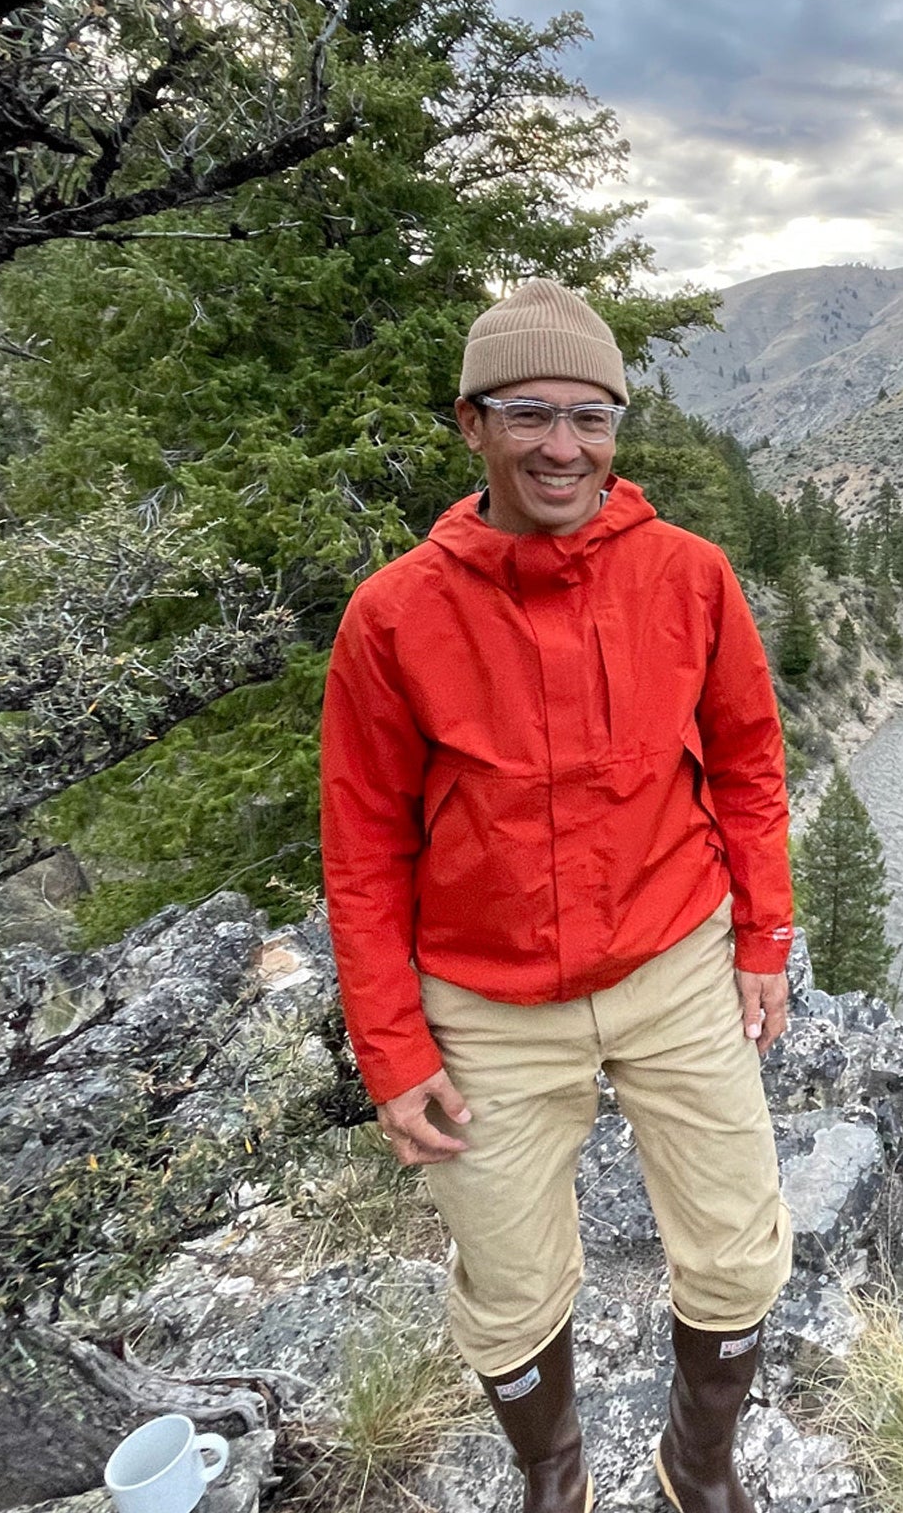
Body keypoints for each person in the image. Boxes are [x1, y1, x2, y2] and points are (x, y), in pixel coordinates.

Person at [319, 278, 795, 1513]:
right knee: (510, 1278)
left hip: (674, 959)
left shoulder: (688, 578)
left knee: (739, 1249)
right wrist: (391, 1045)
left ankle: (697, 1460)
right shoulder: (392, 617)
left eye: (593, 417)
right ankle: (554, 1473)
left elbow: (747, 763)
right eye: (529, 413)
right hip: (480, 998)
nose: (563, 446)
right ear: (469, 424)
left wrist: (762, 936)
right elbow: (363, 844)